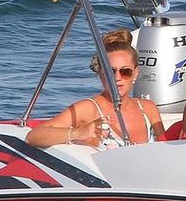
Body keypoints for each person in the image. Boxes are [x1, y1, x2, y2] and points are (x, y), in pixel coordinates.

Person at [25, 30, 164, 149]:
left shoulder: (148, 109)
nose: (117, 77)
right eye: (110, 71)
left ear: (135, 73)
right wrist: (78, 133)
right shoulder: (87, 108)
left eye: (125, 71)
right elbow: (33, 136)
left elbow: (165, 150)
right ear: (100, 74)